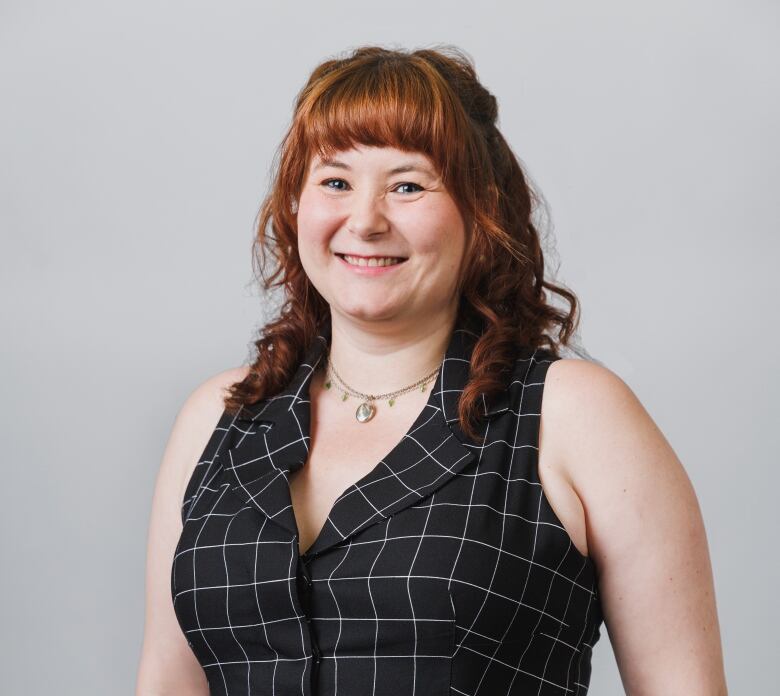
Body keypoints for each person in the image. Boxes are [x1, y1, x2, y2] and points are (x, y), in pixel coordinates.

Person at [136, 45, 728, 695]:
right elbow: (167, 684)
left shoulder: (575, 416)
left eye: (408, 185)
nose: (364, 220)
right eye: (335, 181)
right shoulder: (218, 418)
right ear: (295, 208)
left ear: (481, 214)